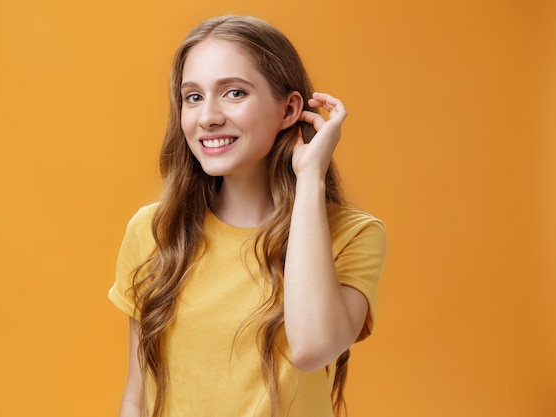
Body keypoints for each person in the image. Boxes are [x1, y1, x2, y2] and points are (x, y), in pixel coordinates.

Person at [108, 15, 386, 417]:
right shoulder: (154, 231)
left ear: (290, 109)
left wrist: (309, 179)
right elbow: (136, 397)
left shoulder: (352, 235)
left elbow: (311, 348)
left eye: (234, 93)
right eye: (193, 97)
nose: (208, 117)